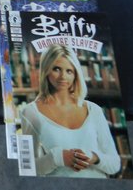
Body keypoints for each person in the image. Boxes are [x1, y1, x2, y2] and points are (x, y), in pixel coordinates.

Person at [20, 44, 121, 178]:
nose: (63, 76)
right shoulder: (30, 112)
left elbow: (114, 165)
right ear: (46, 70)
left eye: (69, 71)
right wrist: (58, 157)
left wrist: (94, 157)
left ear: (75, 74)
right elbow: (27, 168)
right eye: (56, 69)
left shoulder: (94, 110)